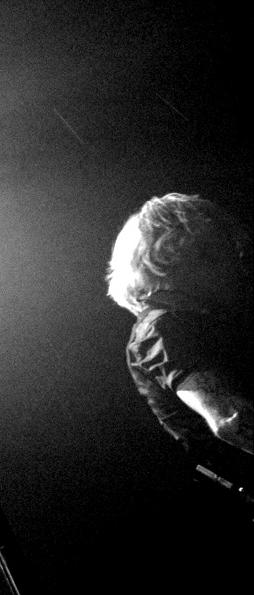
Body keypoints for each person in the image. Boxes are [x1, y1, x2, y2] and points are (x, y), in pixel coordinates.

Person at [105, 193, 253, 495]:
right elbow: (231, 420)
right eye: (218, 250)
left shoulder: (197, 318)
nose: (236, 261)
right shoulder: (161, 327)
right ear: (174, 252)